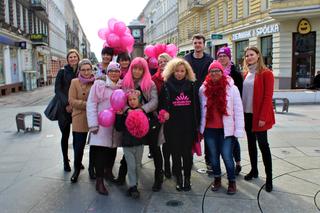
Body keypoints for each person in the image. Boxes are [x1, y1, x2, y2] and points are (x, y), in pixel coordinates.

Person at [199, 61, 244, 195]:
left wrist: (238, 130)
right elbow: (201, 109)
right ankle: (217, 179)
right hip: (209, 129)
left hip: (227, 130)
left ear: (222, 72)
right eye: (212, 71)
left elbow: (238, 110)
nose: (214, 73)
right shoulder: (203, 89)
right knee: (213, 157)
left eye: (217, 71)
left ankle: (231, 181)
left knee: (227, 156)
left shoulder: (232, 88)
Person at [159, 58, 200, 191]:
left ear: (187, 71)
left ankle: (187, 178)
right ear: (172, 71)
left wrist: (198, 124)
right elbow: (161, 105)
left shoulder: (192, 85)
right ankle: (179, 178)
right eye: (176, 71)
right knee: (175, 153)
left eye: (182, 71)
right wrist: (163, 112)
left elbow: (197, 106)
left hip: (188, 125)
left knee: (187, 153)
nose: (179, 73)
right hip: (172, 125)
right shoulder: (166, 85)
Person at [122, 57, 160, 192]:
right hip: (131, 122)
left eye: (140, 69)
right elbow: (121, 101)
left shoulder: (150, 83)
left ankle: (158, 177)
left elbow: (155, 101)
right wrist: (128, 110)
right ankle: (125, 178)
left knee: (154, 149)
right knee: (129, 150)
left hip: (149, 121)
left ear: (144, 70)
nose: (137, 71)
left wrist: (142, 109)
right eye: (135, 68)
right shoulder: (125, 83)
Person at [242, 47, 275, 192]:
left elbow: (268, 98)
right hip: (247, 115)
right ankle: (254, 170)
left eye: (252, 54)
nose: (249, 57)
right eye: (247, 55)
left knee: (263, 146)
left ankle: (269, 178)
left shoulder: (266, 73)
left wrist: (262, 117)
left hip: (259, 116)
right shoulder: (246, 74)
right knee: (251, 145)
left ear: (258, 56)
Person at [86, 62, 122, 195]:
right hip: (101, 126)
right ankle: (99, 181)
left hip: (115, 126)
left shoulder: (122, 86)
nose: (114, 73)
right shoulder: (99, 85)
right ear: (107, 72)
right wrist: (93, 124)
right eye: (111, 71)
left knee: (112, 151)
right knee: (101, 154)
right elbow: (91, 104)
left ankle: (108, 173)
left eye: (116, 71)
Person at [184, 34, 213, 172]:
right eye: (195, 43)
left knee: (207, 132)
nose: (197, 45)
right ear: (193, 44)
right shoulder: (186, 59)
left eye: (200, 43)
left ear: (204, 44)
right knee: (190, 130)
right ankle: (189, 158)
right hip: (190, 99)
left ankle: (209, 161)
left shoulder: (210, 60)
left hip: (206, 99)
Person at [115, 90, 147, 199]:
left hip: (139, 144)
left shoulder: (143, 112)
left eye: (134, 99)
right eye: (130, 100)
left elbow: (148, 126)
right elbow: (118, 128)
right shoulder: (125, 113)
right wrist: (119, 116)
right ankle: (133, 186)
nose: (132, 102)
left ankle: (135, 185)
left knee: (137, 165)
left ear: (138, 100)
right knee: (131, 165)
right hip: (127, 144)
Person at [217, 47, 243, 175]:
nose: (222, 58)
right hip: (219, 112)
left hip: (231, 110)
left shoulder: (235, 73)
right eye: (220, 56)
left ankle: (237, 162)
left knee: (233, 139)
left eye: (224, 56)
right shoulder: (215, 71)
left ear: (229, 57)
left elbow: (239, 95)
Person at [68, 59, 95, 183]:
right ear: (79, 70)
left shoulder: (96, 82)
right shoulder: (74, 82)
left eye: (88, 69)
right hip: (79, 117)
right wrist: (88, 104)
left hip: (94, 118)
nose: (86, 72)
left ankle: (91, 169)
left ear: (91, 70)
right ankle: (77, 169)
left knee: (94, 147)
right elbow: (72, 101)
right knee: (79, 146)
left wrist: (91, 106)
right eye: (83, 70)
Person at [54, 49, 80, 172]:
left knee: (77, 136)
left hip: (77, 108)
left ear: (78, 58)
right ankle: (65, 160)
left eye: (75, 57)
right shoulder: (62, 72)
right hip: (64, 109)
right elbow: (57, 90)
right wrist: (67, 104)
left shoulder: (81, 71)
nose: (73, 59)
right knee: (65, 135)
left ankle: (77, 161)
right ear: (67, 59)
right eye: (71, 57)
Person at [152, 53, 173, 179]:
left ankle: (170, 166)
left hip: (173, 115)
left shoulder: (174, 75)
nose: (162, 64)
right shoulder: (154, 79)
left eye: (164, 61)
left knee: (170, 142)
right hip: (158, 114)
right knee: (160, 141)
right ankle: (163, 167)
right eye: (160, 62)